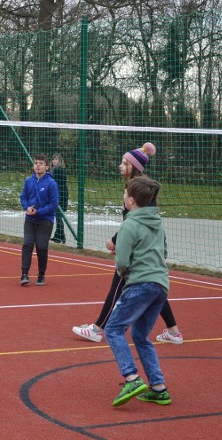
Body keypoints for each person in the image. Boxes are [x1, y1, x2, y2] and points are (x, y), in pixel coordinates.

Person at [72, 143, 184, 345]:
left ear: (135, 167)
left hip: (141, 244)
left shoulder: (139, 190)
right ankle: (174, 331)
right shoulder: (139, 187)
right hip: (140, 240)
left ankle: (98, 329)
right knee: (154, 287)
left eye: (125, 163)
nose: (120, 166)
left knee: (119, 283)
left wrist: (118, 240)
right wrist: (118, 239)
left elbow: (136, 221)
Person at [104, 177, 172, 407]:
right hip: (160, 285)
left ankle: (131, 377)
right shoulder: (157, 222)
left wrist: (124, 267)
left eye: (124, 194)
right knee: (140, 336)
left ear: (131, 201)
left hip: (140, 284)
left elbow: (122, 262)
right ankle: (159, 387)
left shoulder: (129, 224)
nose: (123, 197)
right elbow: (163, 251)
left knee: (113, 329)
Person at [19, 154, 59, 286]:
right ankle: (24, 274)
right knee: (27, 244)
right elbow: (23, 197)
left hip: (45, 220)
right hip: (30, 218)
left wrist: (39, 212)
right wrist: (27, 208)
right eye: (36, 163)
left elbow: (54, 204)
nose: (38, 166)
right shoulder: (28, 181)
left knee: (41, 247)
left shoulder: (51, 183)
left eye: (41, 163)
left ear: (47, 166)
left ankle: (41, 274)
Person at [49, 153, 69, 244]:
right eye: (53, 159)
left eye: (56, 159)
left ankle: (61, 237)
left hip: (60, 195)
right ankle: (59, 236)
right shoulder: (53, 170)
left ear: (60, 161)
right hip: (57, 194)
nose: (54, 161)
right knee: (58, 216)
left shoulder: (59, 170)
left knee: (58, 216)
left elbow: (56, 182)